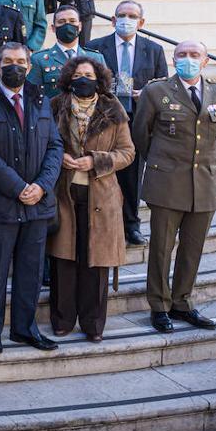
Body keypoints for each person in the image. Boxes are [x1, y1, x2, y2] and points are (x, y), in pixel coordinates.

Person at [0, 42, 63, 354]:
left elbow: (55, 147)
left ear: (30, 66)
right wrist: (18, 186)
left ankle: (25, 328)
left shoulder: (40, 100)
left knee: (31, 272)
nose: (15, 66)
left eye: (21, 61)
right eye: (8, 61)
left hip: (37, 203)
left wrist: (42, 186)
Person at [135, 40, 216, 335]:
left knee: (193, 249)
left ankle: (182, 302)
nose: (187, 59)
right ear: (173, 60)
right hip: (166, 182)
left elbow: (210, 138)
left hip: (204, 182)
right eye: (181, 55)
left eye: (194, 55)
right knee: (162, 248)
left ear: (205, 60)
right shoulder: (156, 91)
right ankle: (159, 306)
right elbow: (141, 135)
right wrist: (163, 163)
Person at [49, 57, 133, 342]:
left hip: (101, 194)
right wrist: (57, 157)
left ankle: (93, 324)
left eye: (89, 74)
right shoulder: (55, 105)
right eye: (77, 74)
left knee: (95, 264)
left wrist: (95, 161)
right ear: (69, 78)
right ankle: (62, 320)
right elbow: (44, 142)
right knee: (64, 259)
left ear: (99, 79)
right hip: (64, 193)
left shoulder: (113, 109)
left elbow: (127, 152)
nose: (83, 78)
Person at [86, 0, 168, 246]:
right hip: (102, 120)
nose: (126, 19)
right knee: (98, 170)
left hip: (136, 120)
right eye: (122, 15)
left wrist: (146, 93)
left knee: (132, 176)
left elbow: (163, 86)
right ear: (113, 20)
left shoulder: (153, 50)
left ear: (141, 22)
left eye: (132, 16)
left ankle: (131, 225)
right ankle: (97, 223)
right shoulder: (94, 47)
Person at [28, 5, 104, 98]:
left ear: (80, 26)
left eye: (72, 21)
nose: (67, 25)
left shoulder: (96, 58)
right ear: (53, 28)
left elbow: (104, 94)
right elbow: (32, 97)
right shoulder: (38, 60)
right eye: (61, 22)